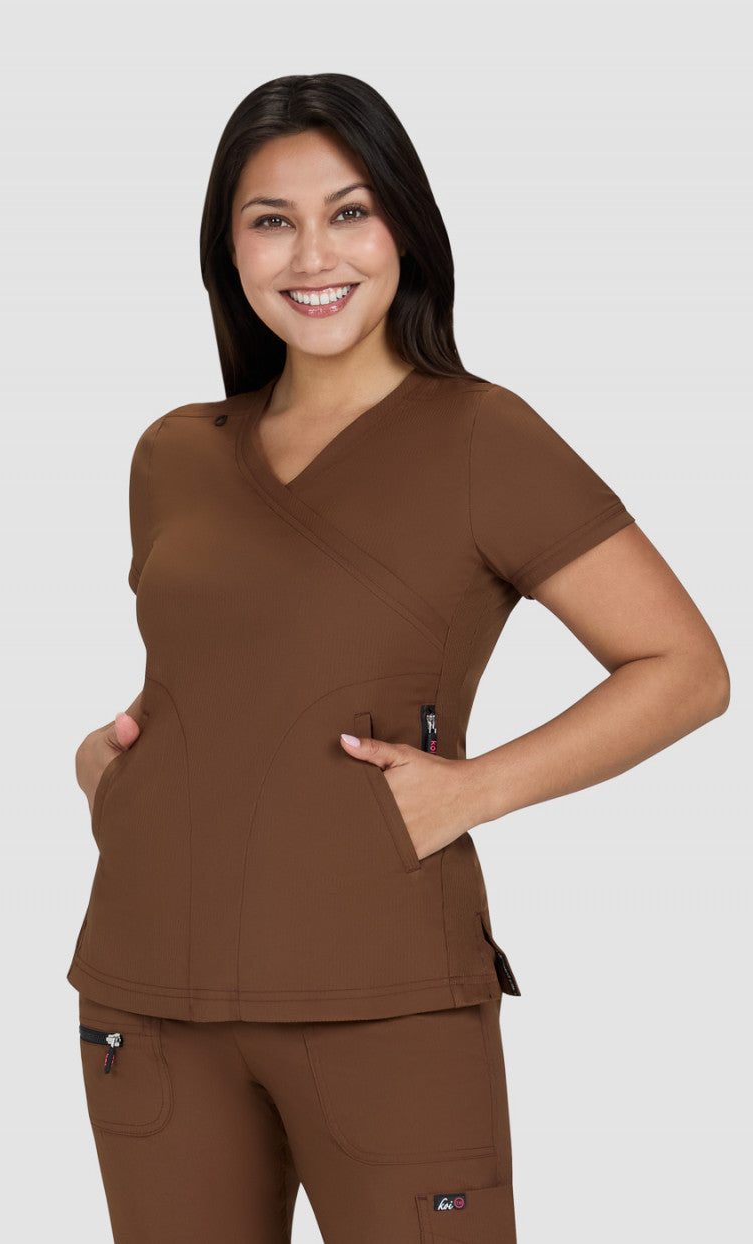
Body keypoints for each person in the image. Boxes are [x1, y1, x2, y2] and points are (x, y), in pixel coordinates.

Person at [68, 73, 730, 1243]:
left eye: (348, 211)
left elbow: (683, 666)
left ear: (404, 230)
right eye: (270, 220)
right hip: (147, 992)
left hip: (384, 992)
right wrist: (108, 765)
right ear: (228, 248)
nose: (310, 254)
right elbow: (231, 665)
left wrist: (471, 789)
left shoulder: (482, 436)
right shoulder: (175, 452)